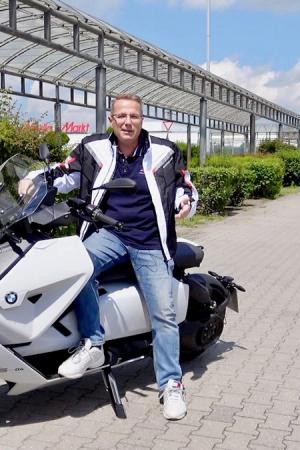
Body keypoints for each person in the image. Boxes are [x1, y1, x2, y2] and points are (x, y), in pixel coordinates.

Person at [39, 93, 198, 420]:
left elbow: (184, 186)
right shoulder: (93, 148)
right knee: (76, 266)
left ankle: (171, 384)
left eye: (134, 116)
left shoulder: (164, 152)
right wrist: (35, 181)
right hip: (111, 234)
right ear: (111, 119)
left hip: (150, 242)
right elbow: (65, 173)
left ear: (142, 120)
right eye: (121, 116)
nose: (127, 122)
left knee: (164, 313)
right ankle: (93, 345)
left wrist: (186, 202)